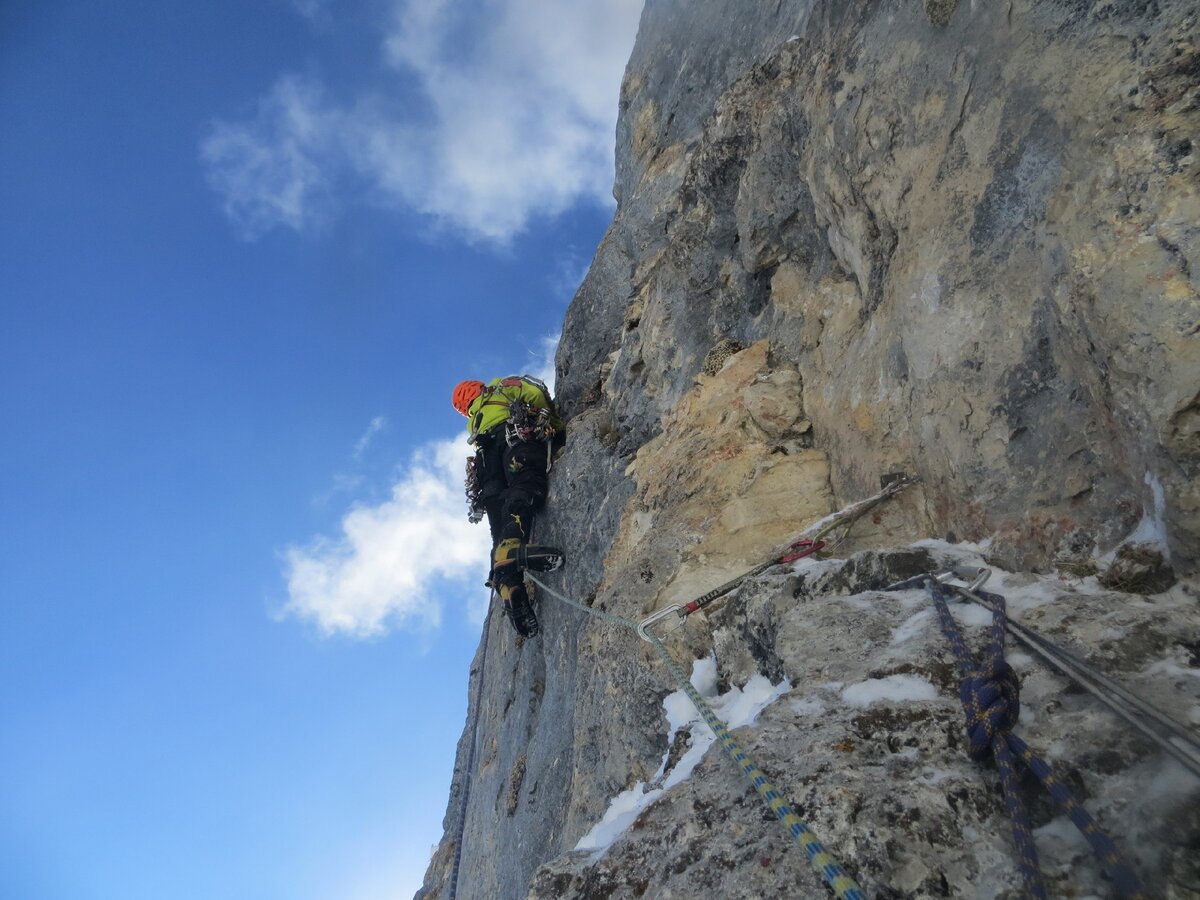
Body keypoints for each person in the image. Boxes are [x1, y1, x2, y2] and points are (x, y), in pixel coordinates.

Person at [453, 375, 565, 636]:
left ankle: (507, 584)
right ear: (479, 387)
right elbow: (535, 395)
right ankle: (511, 547)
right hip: (512, 440)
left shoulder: (475, 422)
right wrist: (556, 424)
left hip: (485, 466)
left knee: (498, 525)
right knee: (526, 482)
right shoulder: (502, 387)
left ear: (465, 408)